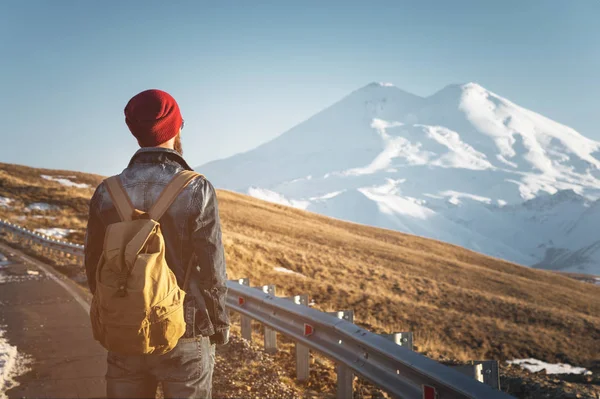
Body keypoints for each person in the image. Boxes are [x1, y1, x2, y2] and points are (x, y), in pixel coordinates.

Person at [84, 89, 229, 399]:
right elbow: (211, 268)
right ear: (176, 128)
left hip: (125, 333)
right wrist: (219, 322)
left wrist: (119, 311)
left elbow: (93, 264)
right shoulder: (196, 188)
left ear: (135, 134)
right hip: (185, 330)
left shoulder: (107, 192)